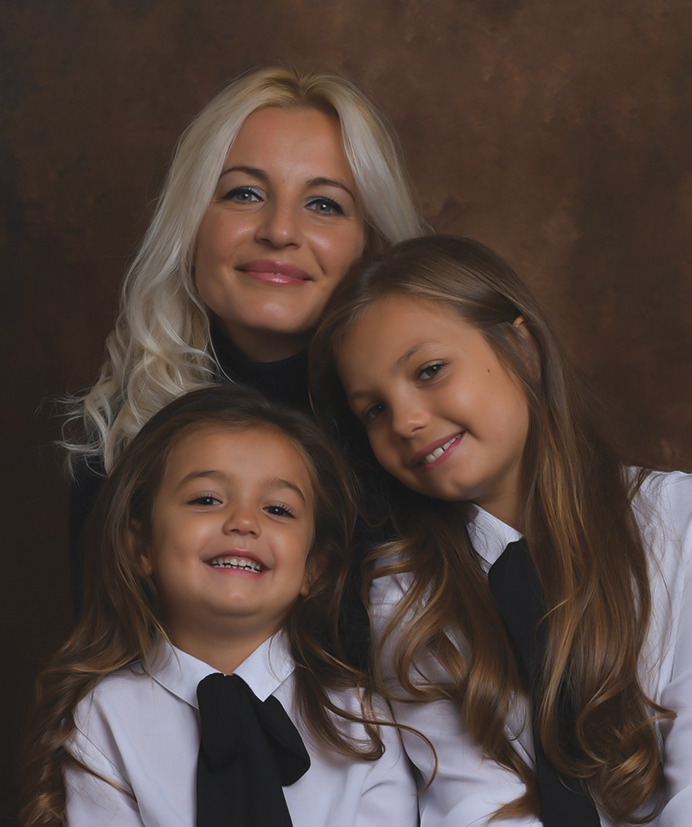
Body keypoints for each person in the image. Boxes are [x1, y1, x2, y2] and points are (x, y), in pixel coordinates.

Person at [310, 235, 692, 825]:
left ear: (521, 348)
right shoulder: (406, 600)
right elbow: (476, 811)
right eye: (373, 410)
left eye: (430, 371)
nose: (406, 420)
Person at [64, 65, 426, 612]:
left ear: (369, 246)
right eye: (245, 193)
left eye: (323, 204)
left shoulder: (423, 425)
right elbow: (109, 671)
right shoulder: (121, 434)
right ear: (191, 224)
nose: (280, 231)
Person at [22, 386, 418, 827]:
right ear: (141, 546)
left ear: (314, 567)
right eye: (206, 499)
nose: (244, 522)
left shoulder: (362, 721)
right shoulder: (104, 718)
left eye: (278, 508)